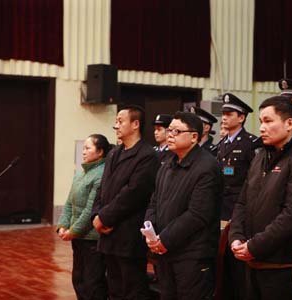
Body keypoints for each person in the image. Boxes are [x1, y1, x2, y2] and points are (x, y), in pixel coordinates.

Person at [229, 96, 292, 299]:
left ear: (289, 123)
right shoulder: (260, 157)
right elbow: (242, 202)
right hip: (254, 264)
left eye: (268, 121)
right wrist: (236, 238)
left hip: (287, 268)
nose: (262, 128)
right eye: (261, 121)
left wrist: (254, 246)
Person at [144, 111, 222, 300]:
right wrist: (151, 231)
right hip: (165, 252)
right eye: (169, 130)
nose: (170, 135)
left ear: (194, 136)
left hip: (192, 255)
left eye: (176, 131)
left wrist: (164, 240)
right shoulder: (167, 164)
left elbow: (197, 214)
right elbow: (154, 201)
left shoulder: (207, 167)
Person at [91, 105, 160, 300]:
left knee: (132, 289)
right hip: (108, 234)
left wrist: (104, 217)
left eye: (121, 121)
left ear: (135, 124)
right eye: (116, 121)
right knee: (113, 288)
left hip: (128, 234)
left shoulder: (147, 155)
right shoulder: (114, 153)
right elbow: (102, 187)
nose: (116, 126)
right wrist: (96, 215)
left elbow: (133, 194)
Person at [57, 134, 111, 300]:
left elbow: (90, 210)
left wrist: (73, 231)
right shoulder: (80, 174)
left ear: (100, 151)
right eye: (84, 148)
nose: (84, 152)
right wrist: (62, 226)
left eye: (88, 148)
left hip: (92, 238)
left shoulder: (101, 174)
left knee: (92, 283)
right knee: (78, 279)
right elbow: (68, 203)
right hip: (78, 236)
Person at [217, 93, 261, 221]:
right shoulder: (222, 143)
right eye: (223, 114)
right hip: (222, 202)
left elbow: (255, 177)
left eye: (229, 115)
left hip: (240, 202)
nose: (224, 118)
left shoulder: (250, 142)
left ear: (241, 118)